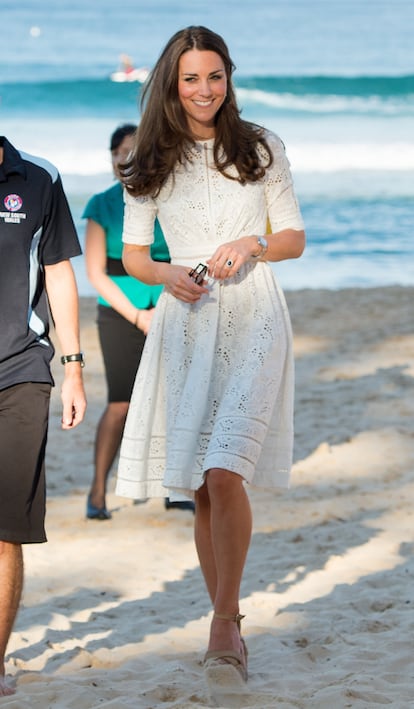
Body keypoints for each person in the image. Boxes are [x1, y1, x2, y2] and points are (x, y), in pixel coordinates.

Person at [115, 26, 305, 702]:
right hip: (187, 316)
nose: (204, 90)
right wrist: (168, 274)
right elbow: (135, 256)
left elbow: (294, 238)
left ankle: (225, 624)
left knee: (226, 469)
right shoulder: (149, 158)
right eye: (192, 78)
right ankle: (225, 614)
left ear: (229, 78)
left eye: (215, 76)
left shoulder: (259, 147)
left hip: (254, 312)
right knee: (199, 481)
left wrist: (252, 242)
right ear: (171, 83)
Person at [0, 136, 87, 696]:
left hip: (20, 370)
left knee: (5, 528)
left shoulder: (38, 176)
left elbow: (56, 272)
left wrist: (74, 365)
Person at [83, 124, 193, 519]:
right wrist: (136, 315)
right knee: (120, 403)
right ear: (112, 158)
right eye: (121, 152)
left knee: (173, 398)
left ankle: (174, 488)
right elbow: (95, 273)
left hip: (171, 305)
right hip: (118, 311)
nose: (127, 160)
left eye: (135, 152)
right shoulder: (101, 204)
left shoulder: (170, 200)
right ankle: (97, 492)